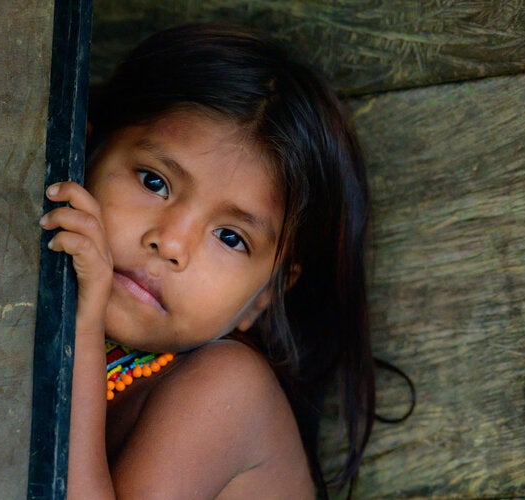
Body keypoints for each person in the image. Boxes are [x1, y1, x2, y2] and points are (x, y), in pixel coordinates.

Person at [39, 23, 374, 498]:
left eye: (231, 237)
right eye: (154, 182)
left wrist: (79, 330)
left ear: (262, 297)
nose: (171, 243)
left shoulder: (226, 391)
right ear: (81, 152)